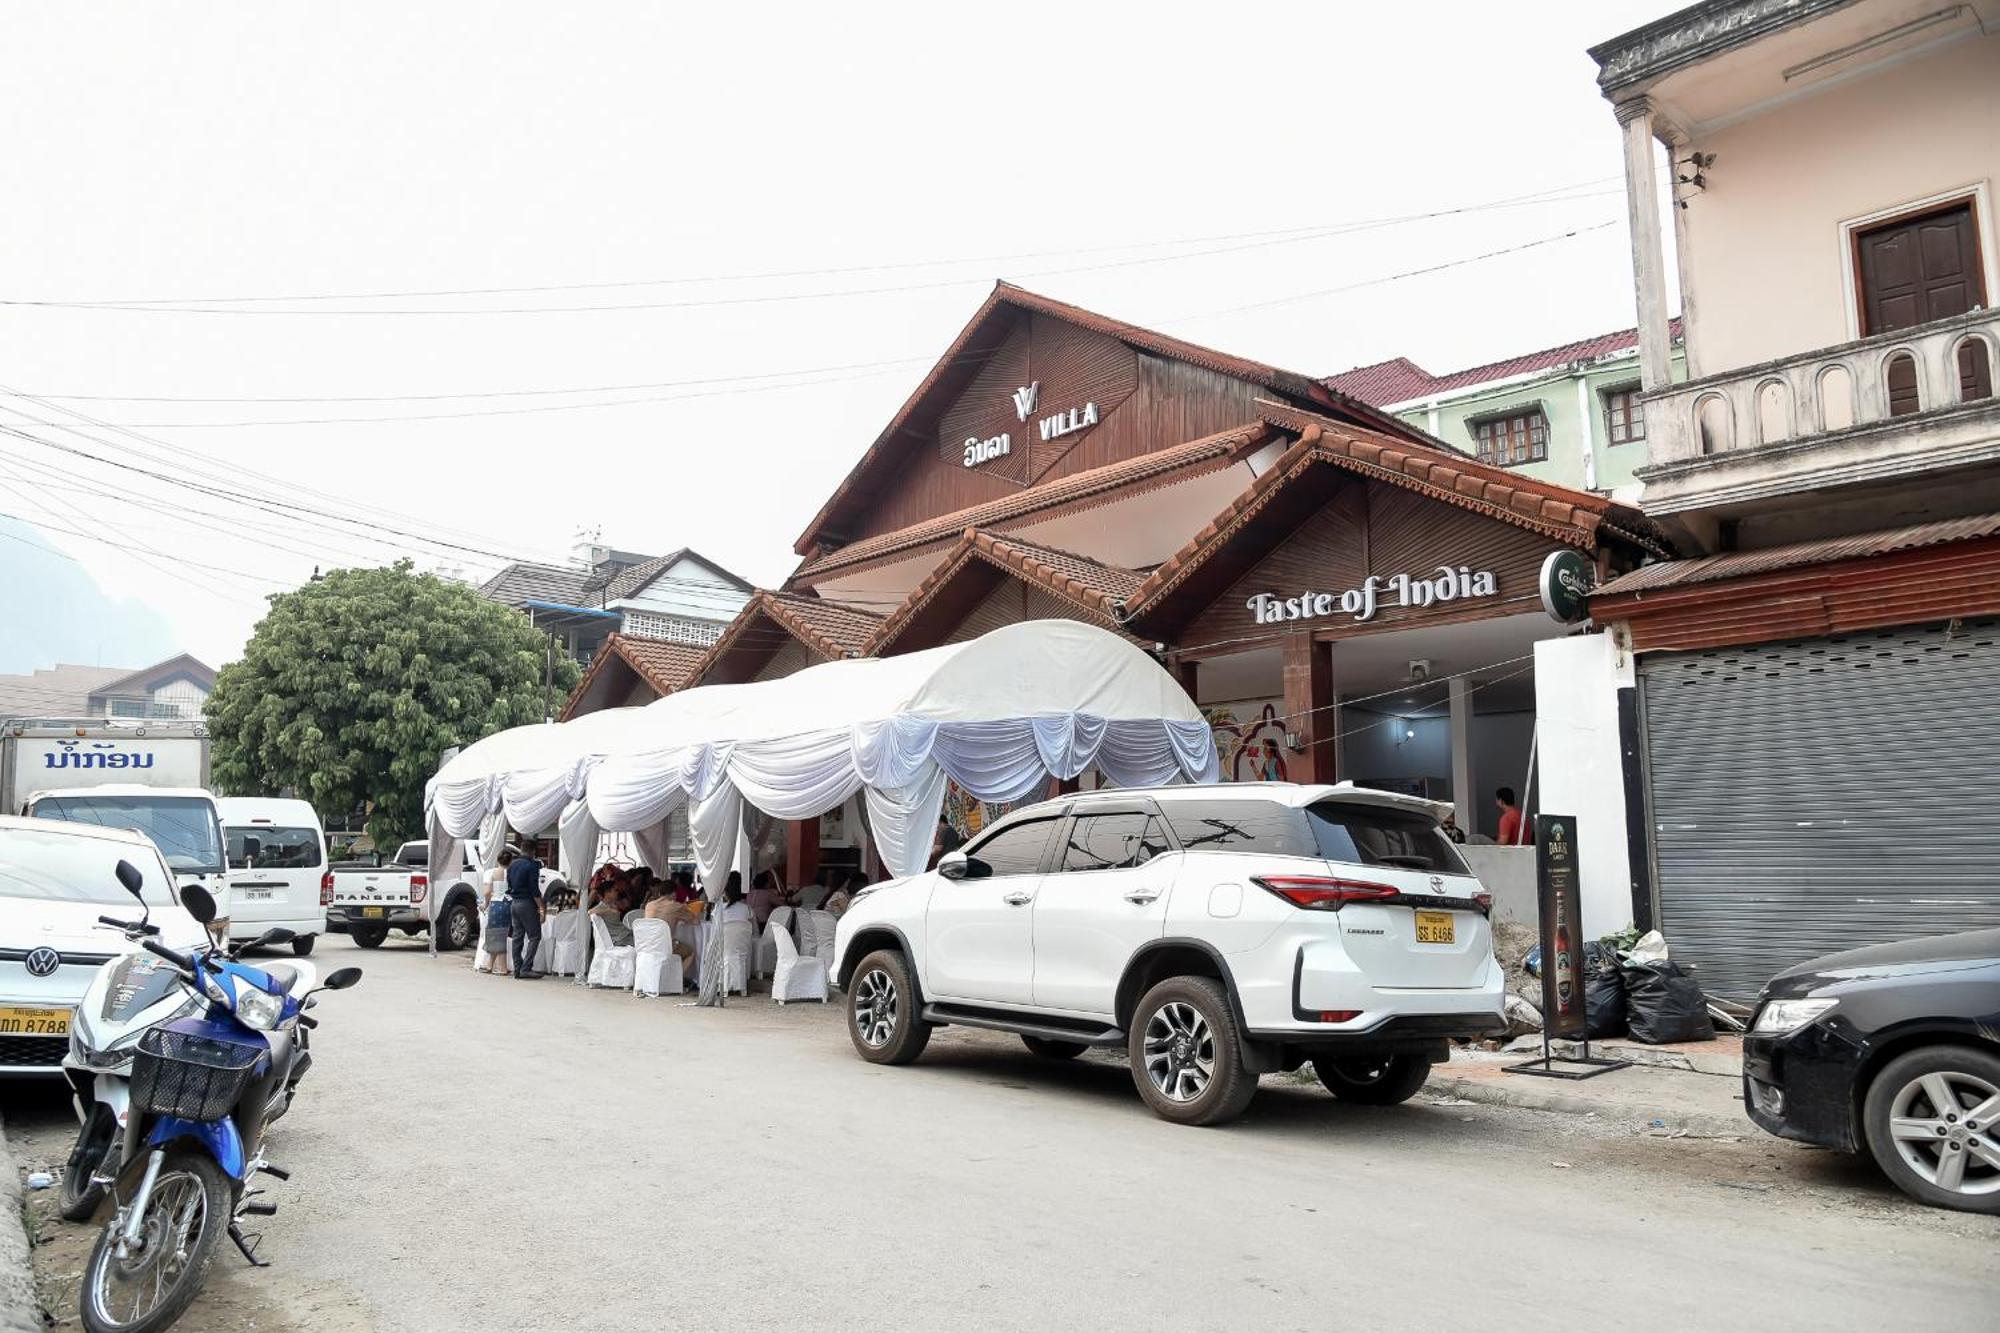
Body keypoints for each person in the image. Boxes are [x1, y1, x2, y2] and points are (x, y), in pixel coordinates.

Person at [505, 845, 546, 979]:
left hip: (514, 903)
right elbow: (534, 889)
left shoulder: (512, 865)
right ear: (532, 852)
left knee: (518, 936)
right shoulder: (532, 865)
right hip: (527, 903)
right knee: (534, 936)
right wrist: (541, 907)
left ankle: (517, 968)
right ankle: (526, 968)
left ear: (522, 850)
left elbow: (509, 884)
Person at [479, 849, 515, 976]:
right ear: (510, 861)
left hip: (496, 904)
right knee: (503, 934)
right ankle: (489, 964)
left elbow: (487, 892)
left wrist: (485, 904)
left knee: (496, 935)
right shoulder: (513, 873)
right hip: (510, 904)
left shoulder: (491, 873)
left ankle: (502, 967)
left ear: (497, 860)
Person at [591, 882, 633, 947]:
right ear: (607, 893)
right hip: (619, 939)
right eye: (615, 890)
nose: (617, 893)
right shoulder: (601, 906)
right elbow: (589, 912)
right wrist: (609, 910)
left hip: (624, 934)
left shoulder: (613, 905)